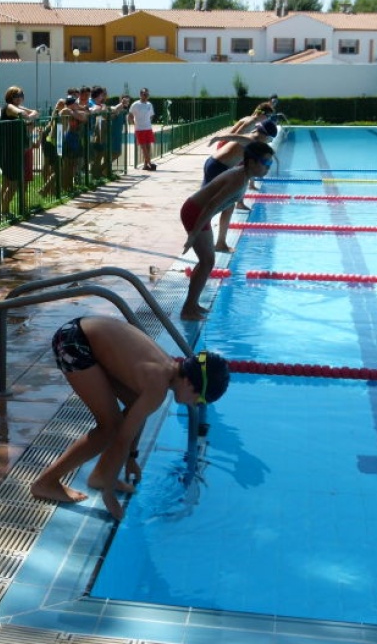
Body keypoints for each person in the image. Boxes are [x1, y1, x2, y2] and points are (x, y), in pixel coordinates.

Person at [30, 316, 231, 520]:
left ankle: (100, 475)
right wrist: (108, 496)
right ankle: (46, 483)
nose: (194, 405)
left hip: (83, 334)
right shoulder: (157, 385)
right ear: (190, 383)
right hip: (74, 343)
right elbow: (122, 439)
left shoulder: (167, 369)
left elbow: (136, 419)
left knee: (129, 411)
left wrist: (131, 458)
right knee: (109, 429)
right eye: (199, 401)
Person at [180, 140, 275, 321]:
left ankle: (192, 305)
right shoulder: (238, 179)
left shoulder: (244, 175)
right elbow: (212, 204)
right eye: (266, 163)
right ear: (252, 162)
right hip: (196, 212)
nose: (268, 168)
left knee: (207, 261)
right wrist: (193, 234)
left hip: (199, 212)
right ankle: (188, 309)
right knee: (207, 261)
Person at [206, 117, 278, 251]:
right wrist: (217, 138)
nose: (269, 143)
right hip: (218, 167)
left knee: (222, 204)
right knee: (220, 205)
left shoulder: (253, 140)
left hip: (214, 164)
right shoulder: (251, 140)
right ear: (265, 135)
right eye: (270, 140)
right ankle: (217, 241)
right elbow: (235, 137)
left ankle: (214, 239)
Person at [0, 85, 40, 216]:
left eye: (21, 95)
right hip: (10, 150)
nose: (19, 98)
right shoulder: (9, 107)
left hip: (14, 149)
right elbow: (26, 115)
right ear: (10, 97)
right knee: (14, 183)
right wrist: (31, 115)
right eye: (16, 96)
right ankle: (4, 211)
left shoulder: (17, 107)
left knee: (7, 181)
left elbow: (33, 112)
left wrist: (31, 114)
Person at [127, 87, 157, 171]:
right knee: (143, 148)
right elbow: (130, 115)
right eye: (144, 94)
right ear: (140, 95)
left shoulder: (149, 104)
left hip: (148, 128)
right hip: (139, 129)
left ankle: (145, 165)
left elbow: (151, 115)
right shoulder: (135, 104)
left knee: (148, 147)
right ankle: (150, 163)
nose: (146, 96)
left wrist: (148, 122)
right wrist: (134, 123)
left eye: (147, 94)